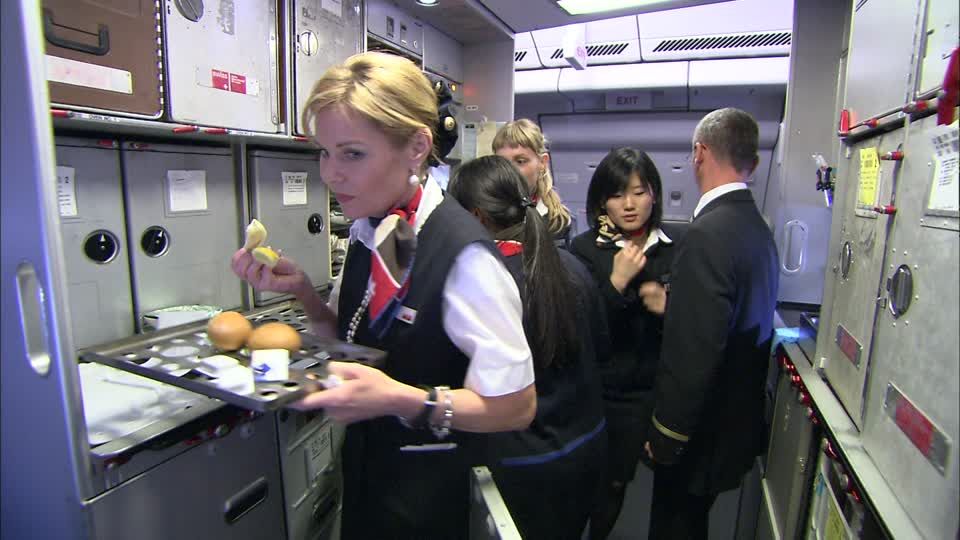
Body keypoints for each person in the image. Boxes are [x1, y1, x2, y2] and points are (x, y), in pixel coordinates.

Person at [230, 52, 537, 539]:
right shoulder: (369, 230)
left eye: (352, 153)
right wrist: (305, 296)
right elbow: (353, 338)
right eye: (324, 152)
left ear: (416, 146)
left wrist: (403, 399)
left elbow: (515, 406)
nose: (330, 174)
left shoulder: (464, 257)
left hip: (431, 498)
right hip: (372, 480)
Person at [448, 155, 609, 540]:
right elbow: (602, 350)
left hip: (523, 465)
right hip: (586, 449)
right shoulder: (572, 264)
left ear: (475, 217)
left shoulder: (484, 280)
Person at [643, 108, 779, 539]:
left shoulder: (706, 234)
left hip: (697, 439)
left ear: (700, 153)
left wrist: (666, 435)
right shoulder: (757, 229)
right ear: (752, 163)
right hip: (733, 427)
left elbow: (694, 353)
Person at [569, 147, 678, 540]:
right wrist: (615, 284)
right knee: (581, 485)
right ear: (602, 202)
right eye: (617, 194)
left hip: (643, 396)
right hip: (595, 391)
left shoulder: (675, 248)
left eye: (639, 192)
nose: (629, 204)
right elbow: (579, 329)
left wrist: (670, 311)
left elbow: (690, 336)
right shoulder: (582, 251)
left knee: (616, 485)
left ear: (654, 195)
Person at [492, 118, 574, 247]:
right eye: (503, 163)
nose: (510, 171)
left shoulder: (556, 222)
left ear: (542, 162)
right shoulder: (483, 213)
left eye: (520, 161)